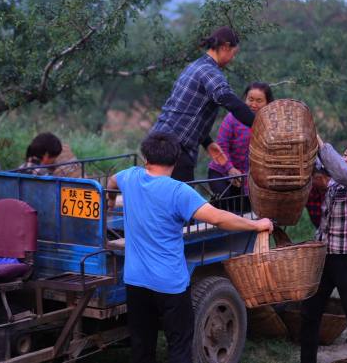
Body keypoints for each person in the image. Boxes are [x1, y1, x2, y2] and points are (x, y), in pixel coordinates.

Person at [107, 132, 273, 363]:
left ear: (146, 158)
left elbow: (112, 181)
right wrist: (256, 224)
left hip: (136, 282)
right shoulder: (178, 191)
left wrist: (109, 201)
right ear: (175, 162)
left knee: (141, 348)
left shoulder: (130, 177)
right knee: (179, 347)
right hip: (170, 285)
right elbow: (218, 218)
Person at [300, 136, 347, 363]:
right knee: (309, 313)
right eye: (344, 154)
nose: (345, 159)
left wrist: (322, 145)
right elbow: (318, 165)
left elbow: (344, 173)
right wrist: (307, 142)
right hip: (324, 257)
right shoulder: (334, 180)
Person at [151, 26, 257, 182]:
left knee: (160, 200)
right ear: (225, 47)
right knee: (181, 202)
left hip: (158, 142)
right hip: (174, 149)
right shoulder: (209, 71)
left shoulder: (194, 66)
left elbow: (190, 114)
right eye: (233, 54)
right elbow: (228, 99)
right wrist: (260, 124)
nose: (233, 59)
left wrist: (207, 142)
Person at [207, 82, 274, 211]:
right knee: (224, 202)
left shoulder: (270, 125)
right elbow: (221, 145)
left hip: (247, 181)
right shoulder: (232, 118)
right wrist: (230, 169)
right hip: (222, 171)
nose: (253, 104)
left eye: (259, 101)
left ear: (267, 103)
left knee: (245, 212)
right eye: (250, 99)